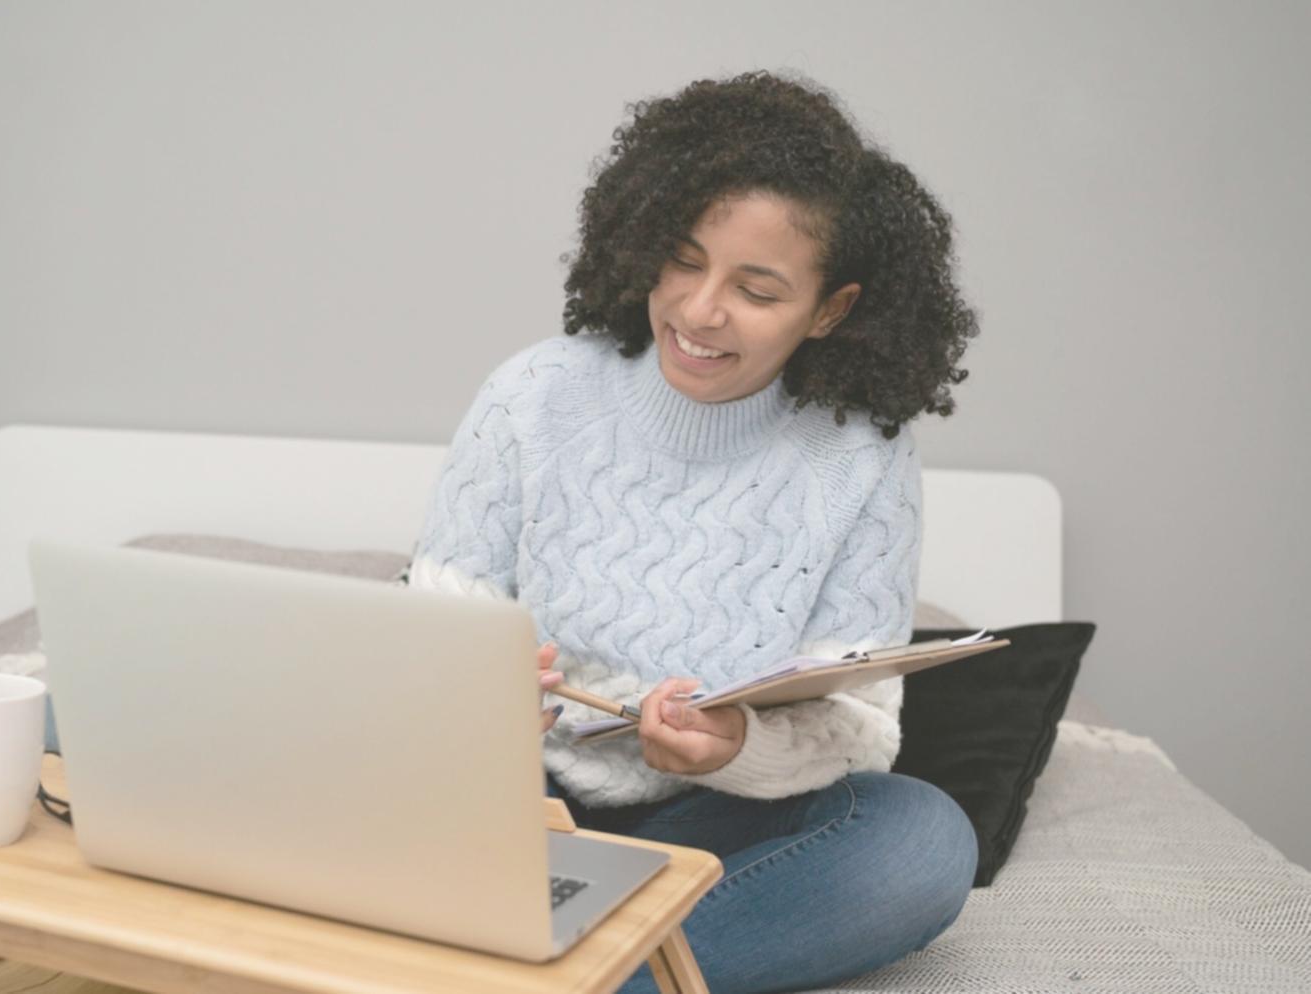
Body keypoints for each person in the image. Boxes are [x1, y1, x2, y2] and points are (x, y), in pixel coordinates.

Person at [405, 70, 980, 993]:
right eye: (683, 260)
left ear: (831, 309)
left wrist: (736, 748)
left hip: (705, 827)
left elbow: (860, 729)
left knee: (921, 841)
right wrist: (478, 700)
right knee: (103, 701)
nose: (698, 311)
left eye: (756, 290)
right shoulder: (535, 394)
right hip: (507, 803)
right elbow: (428, 635)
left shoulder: (863, 458)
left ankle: (527, 974)